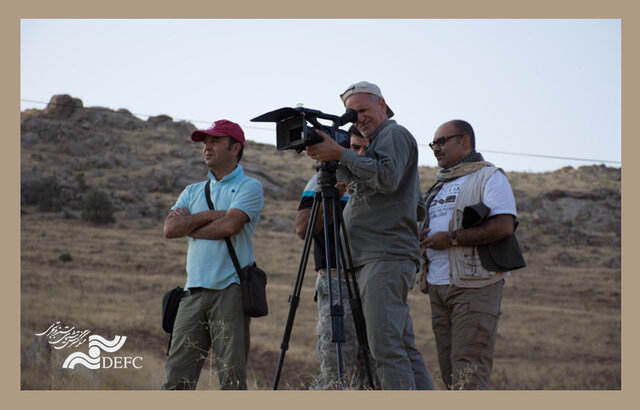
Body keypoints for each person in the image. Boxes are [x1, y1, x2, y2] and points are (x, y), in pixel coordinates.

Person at [306, 81, 434, 390]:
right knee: (402, 348)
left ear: (382, 104)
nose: (359, 118)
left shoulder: (394, 134)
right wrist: (335, 162)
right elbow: (411, 201)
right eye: (352, 113)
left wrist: (341, 153)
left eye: (363, 110)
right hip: (378, 256)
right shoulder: (377, 143)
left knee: (386, 351)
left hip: (384, 256)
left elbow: (387, 179)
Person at [161, 119, 264, 390]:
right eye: (205, 141)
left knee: (231, 380)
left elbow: (230, 225)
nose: (207, 146)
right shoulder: (192, 191)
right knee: (175, 380)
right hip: (192, 293)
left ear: (235, 148)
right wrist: (208, 216)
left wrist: (191, 225)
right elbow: (170, 229)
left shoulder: (249, 187)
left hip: (230, 292)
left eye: (215, 141)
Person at [419, 119, 517, 390]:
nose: (436, 149)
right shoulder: (438, 185)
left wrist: (450, 239)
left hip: (475, 286)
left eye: (442, 141)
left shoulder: (489, 176)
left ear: (465, 141)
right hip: (438, 286)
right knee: (451, 373)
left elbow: (504, 226)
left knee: (469, 374)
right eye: (433, 144)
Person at [296, 126, 375, 390]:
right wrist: (335, 196)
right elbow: (303, 228)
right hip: (336, 279)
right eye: (355, 147)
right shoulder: (323, 180)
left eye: (367, 148)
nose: (361, 153)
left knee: (375, 372)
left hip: (374, 281)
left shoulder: (380, 180)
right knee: (336, 368)